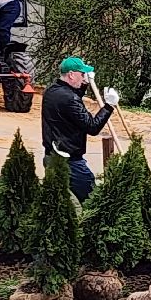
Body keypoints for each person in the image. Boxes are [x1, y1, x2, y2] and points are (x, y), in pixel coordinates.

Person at [40, 56, 117, 202]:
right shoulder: (69, 99)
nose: (84, 77)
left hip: (51, 156)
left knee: (59, 200)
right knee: (93, 200)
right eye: (82, 74)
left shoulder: (50, 92)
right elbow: (92, 127)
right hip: (70, 162)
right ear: (71, 74)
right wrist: (109, 106)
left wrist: (84, 84)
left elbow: (72, 97)